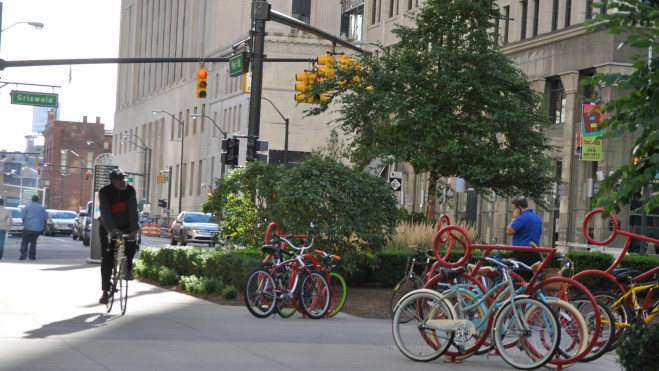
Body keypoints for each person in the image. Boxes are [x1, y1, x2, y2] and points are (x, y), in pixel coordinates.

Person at [98, 168, 140, 304]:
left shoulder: (130, 191)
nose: (122, 182)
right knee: (107, 258)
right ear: (113, 181)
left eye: (123, 179)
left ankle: (128, 269)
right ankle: (105, 291)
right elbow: (105, 213)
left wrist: (134, 229)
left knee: (132, 243)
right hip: (108, 227)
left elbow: (133, 210)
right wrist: (112, 229)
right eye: (119, 180)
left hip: (126, 225)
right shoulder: (105, 192)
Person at [506, 198, 543, 281]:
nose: (514, 211)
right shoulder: (537, 217)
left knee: (521, 279)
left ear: (519, 208)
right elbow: (539, 235)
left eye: (514, 209)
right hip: (535, 251)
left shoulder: (522, 218)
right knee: (531, 279)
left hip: (523, 253)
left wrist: (514, 219)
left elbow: (509, 231)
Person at [20, 195, 49, 260]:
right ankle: (32, 256)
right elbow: (45, 218)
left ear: (32, 200)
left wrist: (25, 223)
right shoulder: (42, 208)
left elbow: (22, 217)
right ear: (38, 200)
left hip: (27, 227)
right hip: (37, 228)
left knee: (25, 242)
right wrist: (43, 226)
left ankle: (23, 255)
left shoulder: (27, 207)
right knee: (33, 242)